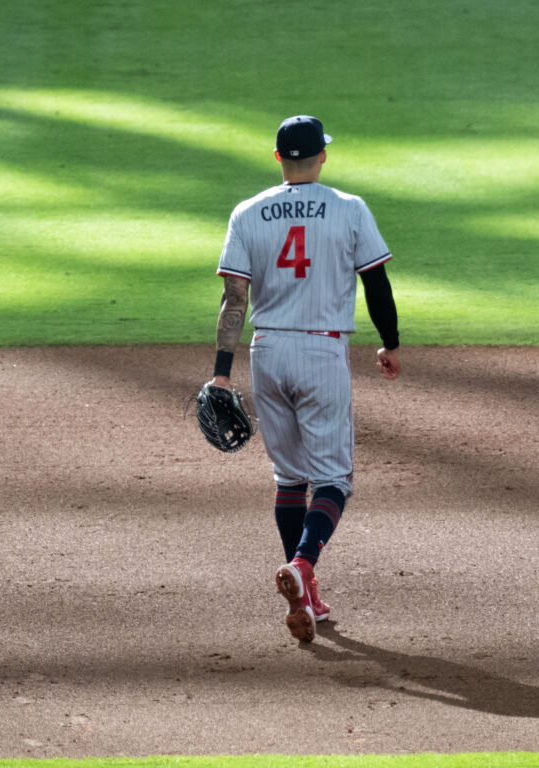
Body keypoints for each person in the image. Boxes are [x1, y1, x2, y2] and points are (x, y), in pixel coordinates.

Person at [210, 115, 401, 643]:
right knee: (334, 480)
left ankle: (308, 598)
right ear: (322, 157)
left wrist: (222, 375)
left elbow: (234, 300)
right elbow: (376, 282)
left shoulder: (248, 212)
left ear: (277, 159)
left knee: (290, 478)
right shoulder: (349, 208)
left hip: (267, 350)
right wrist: (390, 341)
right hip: (322, 350)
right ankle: (303, 565)